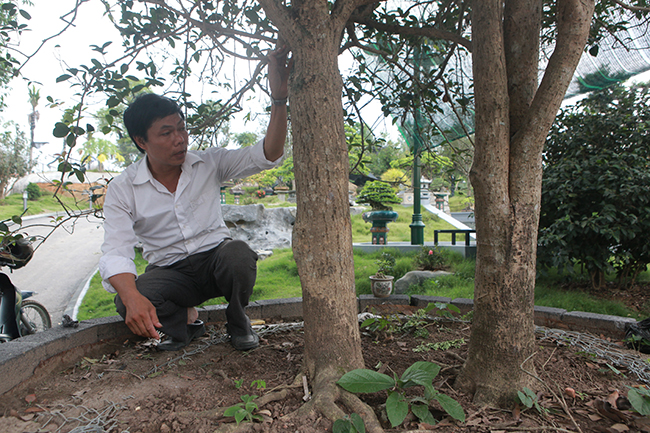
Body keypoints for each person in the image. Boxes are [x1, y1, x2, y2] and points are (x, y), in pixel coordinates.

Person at [99, 47, 290, 351]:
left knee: (239, 255)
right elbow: (116, 251)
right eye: (166, 133)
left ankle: (239, 322)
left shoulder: (209, 162)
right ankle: (184, 325)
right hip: (170, 274)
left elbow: (269, 154)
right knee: (129, 301)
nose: (180, 139)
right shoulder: (124, 188)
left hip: (217, 260)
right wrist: (132, 297)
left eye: (181, 128)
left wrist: (279, 100)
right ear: (141, 141)